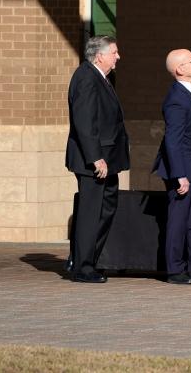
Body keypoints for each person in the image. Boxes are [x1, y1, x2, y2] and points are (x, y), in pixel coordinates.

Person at [65, 35, 130, 283]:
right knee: (91, 212)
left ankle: (88, 259)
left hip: (108, 158)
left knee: (106, 208)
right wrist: (95, 158)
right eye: (114, 52)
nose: (118, 57)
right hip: (93, 160)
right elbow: (84, 122)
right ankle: (82, 266)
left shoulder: (102, 77)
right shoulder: (85, 77)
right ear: (100, 55)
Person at [152, 49, 191, 285]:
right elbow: (173, 140)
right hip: (182, 170)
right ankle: (175, 269)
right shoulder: (176, 98)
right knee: (178, 221)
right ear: (180, 69)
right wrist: (180, 175)